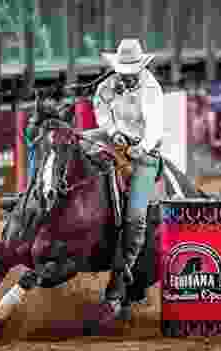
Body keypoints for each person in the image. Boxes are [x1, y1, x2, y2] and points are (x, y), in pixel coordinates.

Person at [82, 39, 164, 311]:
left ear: (140, 68)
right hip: (113, 138)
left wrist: (140, 148)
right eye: (122, 71)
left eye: (130, 72)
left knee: (136, 216)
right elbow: (100, 108)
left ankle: (121, 278)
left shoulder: (151, 89)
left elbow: (154, 128)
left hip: (144, 151)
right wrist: (112, 129)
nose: (125, 76)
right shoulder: (108, 85)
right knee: (73, 143)